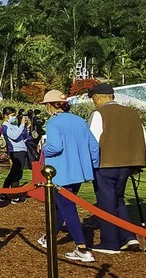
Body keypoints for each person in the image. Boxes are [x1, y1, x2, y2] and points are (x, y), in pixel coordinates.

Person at [38, 89, 100, 262]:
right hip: (78, 171)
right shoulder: (79, 120)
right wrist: (92, 166)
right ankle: (48, 238)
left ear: (50, 106)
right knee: (61, 207)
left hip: (60, 173)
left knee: (67, 208)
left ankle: (82, 247)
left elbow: (55, 147)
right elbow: (93, 146)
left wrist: (43, 148)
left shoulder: (53, 123)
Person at [87, 83, 146, 253]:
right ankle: (129, 237)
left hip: (105, 164)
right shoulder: (132, 113)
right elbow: (143, 140)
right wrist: (138, 162)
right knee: (118, 199)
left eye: (93, 99)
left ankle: (110, 242)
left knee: (106, 202)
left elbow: (92, 141)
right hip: (128, 164)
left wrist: (89, 164)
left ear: (97, 97)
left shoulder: (99, 114)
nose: (94, 103)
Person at [0, 107, 33, 202]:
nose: (14, 118)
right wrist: (22, 125)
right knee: (17, 173)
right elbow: (14, 136)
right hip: (16, 151)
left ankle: (4, 193)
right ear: (6, 116)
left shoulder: (13, 126)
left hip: (21, 150)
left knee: (14, 172)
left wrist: (26, 128)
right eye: (12, 116)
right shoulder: (5, 126)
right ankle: (14, 195)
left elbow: (24, 137)